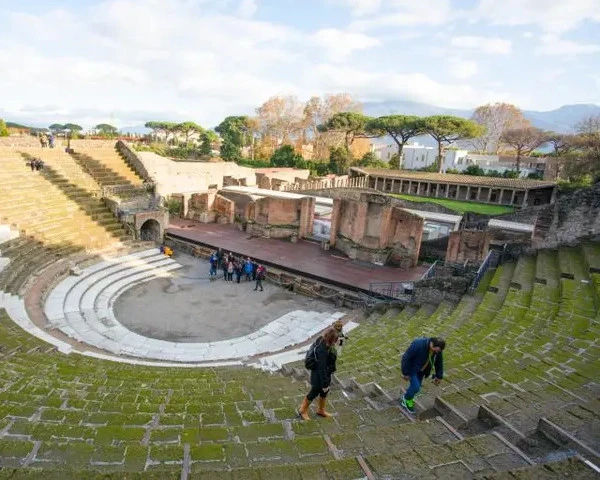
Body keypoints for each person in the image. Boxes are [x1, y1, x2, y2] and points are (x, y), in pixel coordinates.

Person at [298, 328, 339, 420]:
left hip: (324, 372)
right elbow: (321, 369)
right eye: (334, 340)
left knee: (325, 392)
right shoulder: (322, 350)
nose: (335, 342)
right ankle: (302, 410)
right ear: (330, 339)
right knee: (315, 391)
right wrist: (325, 384)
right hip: (318, 375)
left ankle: (321, 410)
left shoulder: (322, 340)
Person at [400, 337, 445, 413]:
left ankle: (409, 394)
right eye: (436, 350)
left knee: (417, 386)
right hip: (412, 369)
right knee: (416, 387)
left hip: (422, 370)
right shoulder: (418, 344)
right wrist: (406, 373)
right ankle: (406, 399)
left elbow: (439, 362)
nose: (437, 352)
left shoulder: (437, 349)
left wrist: (439, 376)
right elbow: (406, 358)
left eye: (438, 351)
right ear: (431, 344)